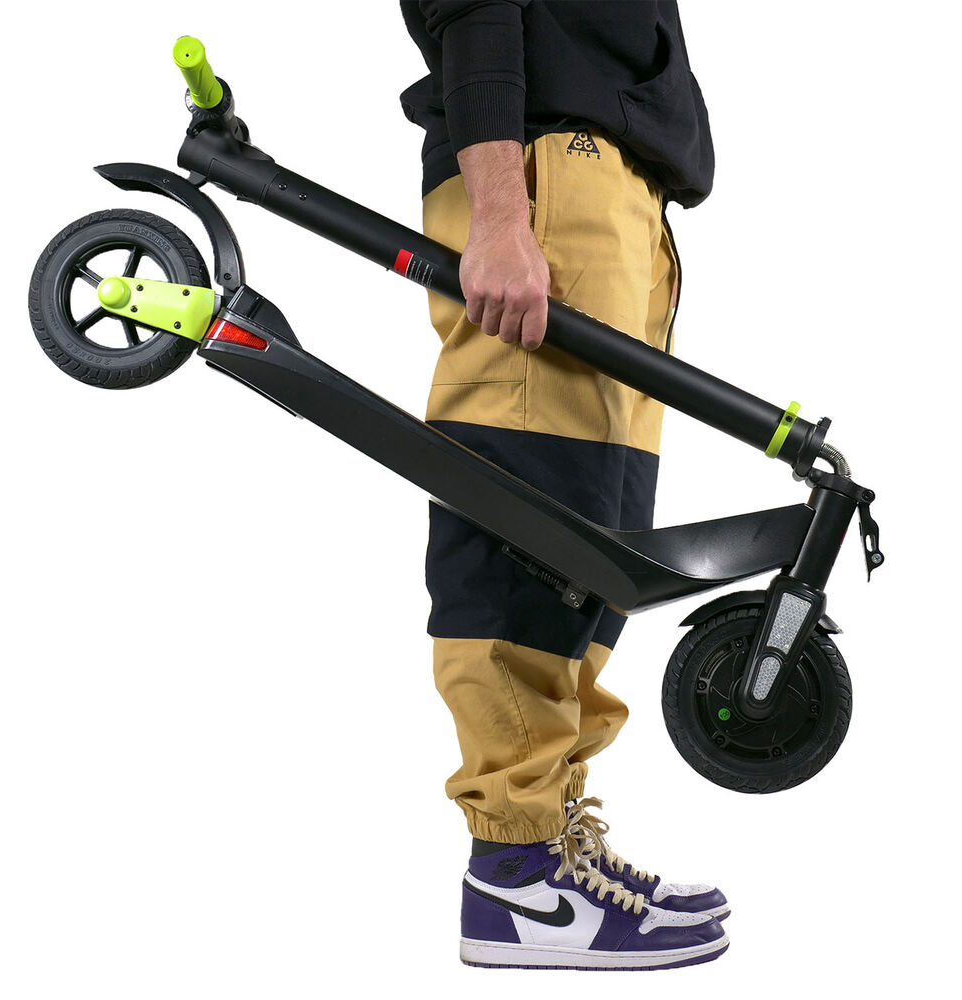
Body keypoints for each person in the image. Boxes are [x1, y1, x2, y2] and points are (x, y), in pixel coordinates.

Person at [400, 1, 728, 970]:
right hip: (544, 175)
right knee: (527, 512)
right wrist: (504, 214)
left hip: (619, 195)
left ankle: (555, 840)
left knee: (595, 544)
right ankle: (517, 875)